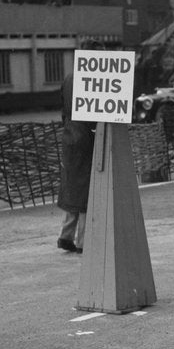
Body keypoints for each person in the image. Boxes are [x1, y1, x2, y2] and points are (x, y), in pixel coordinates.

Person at [56, 70, 96, 253]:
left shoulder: (69, 77)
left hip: (69, 133)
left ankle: (66, 235)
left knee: (71, 185)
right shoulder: (92, 76)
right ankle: (82, 240)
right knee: (87, 187)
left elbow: (62, 106)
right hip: (85, 134)